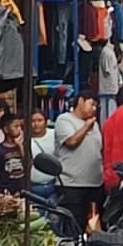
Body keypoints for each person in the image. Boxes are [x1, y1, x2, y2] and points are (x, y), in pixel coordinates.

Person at [53, 91, 104, 227]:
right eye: (92, 104)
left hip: (94, 184)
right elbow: (72, 142)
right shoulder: (64, 120)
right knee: (74, 226)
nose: (94, 109)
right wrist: (86, 126)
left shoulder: (95, 124)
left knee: (93, 227)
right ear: (81, 101)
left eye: (96, 106)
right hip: (71, 185)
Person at [0, 115, 29, 196]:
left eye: (20, 126)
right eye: (16, 126)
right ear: (6, 129)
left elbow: (28, 165)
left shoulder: (23, 147)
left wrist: (21, 146)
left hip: (21, 190)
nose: (19, 129)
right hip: (4, 191)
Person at [28, 110, 59, 201]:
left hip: (54, 185)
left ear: (46, 122)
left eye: (39, 120)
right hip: (34, 187)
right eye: (33, 121)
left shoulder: (55, 134)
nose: (36, 124)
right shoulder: (24, 139)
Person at [96, 39, 122, 118]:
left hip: (112, 89)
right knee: (107, 112)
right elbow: (106, 71)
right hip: (107, 89)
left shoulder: (110, 52)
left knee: (111, 110)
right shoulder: (107, 52)